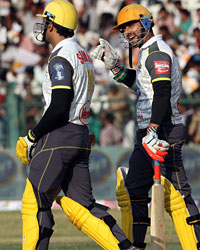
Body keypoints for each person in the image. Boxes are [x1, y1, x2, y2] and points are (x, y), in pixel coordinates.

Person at [15, 1, 136, 250]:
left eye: (47, 21)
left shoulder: (61, 56)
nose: (43, 25)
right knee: (84, 206)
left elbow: (59, 106)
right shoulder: (81, 53)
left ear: (55, 24)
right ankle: (125, 247)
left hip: (60, 135)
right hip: (80, 133)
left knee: (34, 202)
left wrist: (32, 136)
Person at [90, 4, 200, 250]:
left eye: (131, 25)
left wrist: (152, 129)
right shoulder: (147, 51)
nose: (127, 32)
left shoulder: (157, 52)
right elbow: (141, 86)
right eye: (123, 28)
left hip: (163, 130)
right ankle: (138, 245)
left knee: (179, 195)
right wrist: (114, 66)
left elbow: (161, 93)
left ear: (146, 22)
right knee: (134, 189)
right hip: (148, 132)